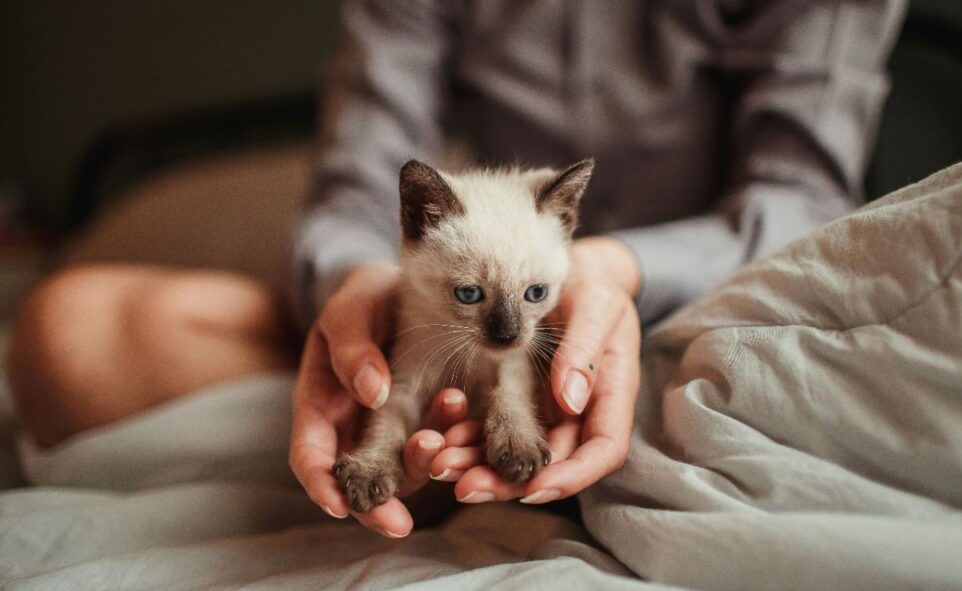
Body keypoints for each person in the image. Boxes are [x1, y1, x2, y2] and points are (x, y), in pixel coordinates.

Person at [5, 0, 906, 539]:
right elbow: (363, 180)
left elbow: (807, 207)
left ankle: (481, 469)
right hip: (446, 306)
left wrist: (618, 270)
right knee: (70, 328)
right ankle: (441, 462)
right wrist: (356, 286)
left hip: (685, 312)